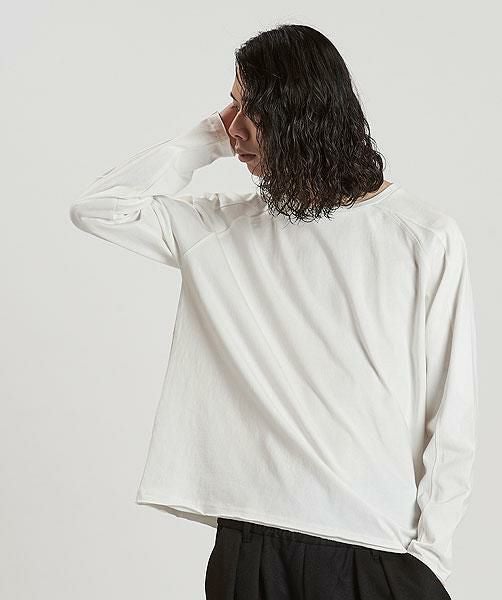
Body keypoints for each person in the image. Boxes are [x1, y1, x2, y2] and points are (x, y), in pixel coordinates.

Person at [70, 23, 478, 600]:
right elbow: (98, 208)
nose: (235, 129)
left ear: (303, 116)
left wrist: (431, 556)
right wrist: (207, 138)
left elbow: (452, 411)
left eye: (253, 111)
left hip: (372, 546)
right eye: (231, 107)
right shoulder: (221, 227)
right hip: (252, 543)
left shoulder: (421, 236)